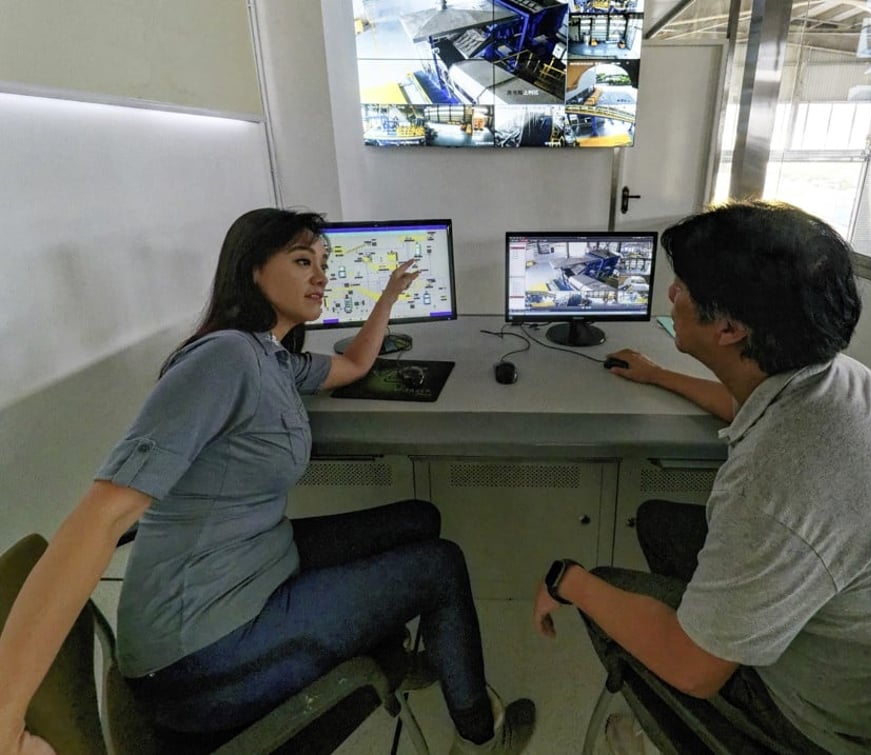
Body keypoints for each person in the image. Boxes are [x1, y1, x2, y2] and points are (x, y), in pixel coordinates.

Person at [0, 208, 535, 755]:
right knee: (439, 564)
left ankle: (404, 649)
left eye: (324, 263)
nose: (321, 275)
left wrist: (390, 297)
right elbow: (101, 515)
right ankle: (480, 733)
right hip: (196, 657)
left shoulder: (270, 356)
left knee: (420, 518)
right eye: (303, 261)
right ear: (252, 270)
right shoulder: (225, 359)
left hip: (253, 567)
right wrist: (5, 713)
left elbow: (351, 365)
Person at [533, 200, 871, 754]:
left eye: (682, 287)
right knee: (661, 521)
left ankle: (656, 731)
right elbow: (749, 406)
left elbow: (695, 671)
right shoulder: (831, 380)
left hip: (822, 730)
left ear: (731, 328)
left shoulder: (777, 483)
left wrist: (565, 579)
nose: (671, 295)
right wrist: (659, 375)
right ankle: (718, 619)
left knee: (604, 587)